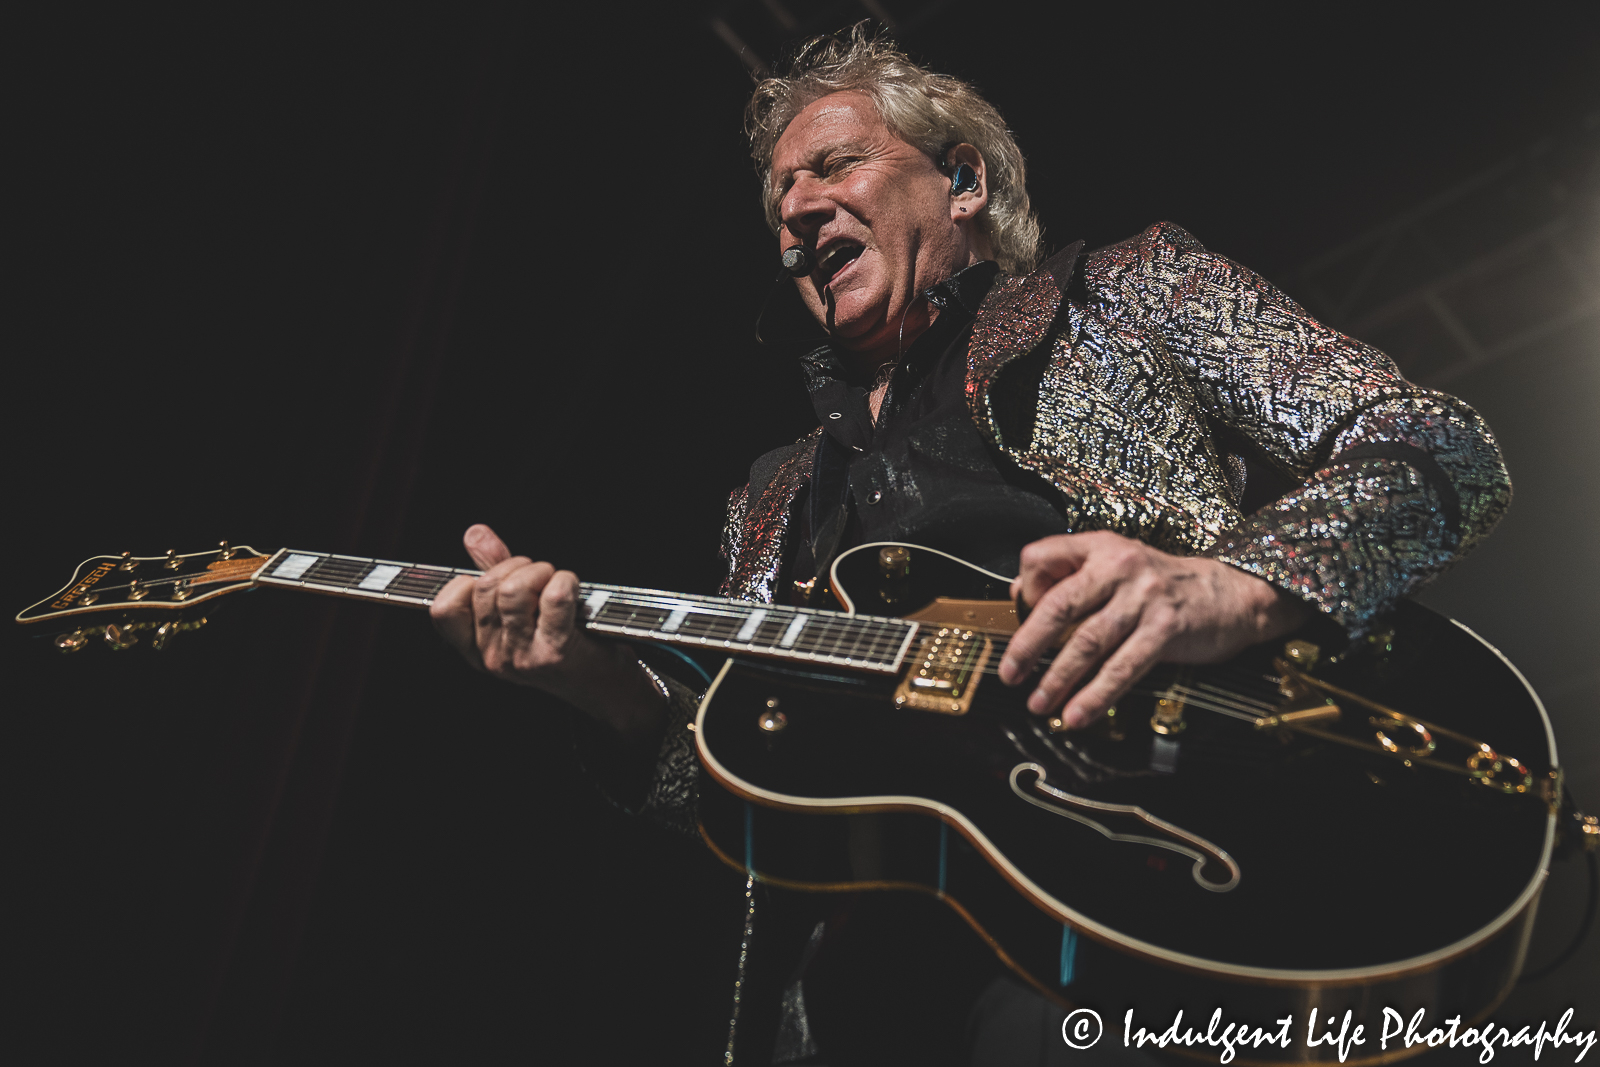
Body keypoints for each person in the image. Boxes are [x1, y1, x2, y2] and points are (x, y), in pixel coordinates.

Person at [429, 28, 1511, 1067]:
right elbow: (732, 783)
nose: (796, 208)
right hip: (858, 995)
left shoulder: (1130, 290)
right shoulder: (767, 499)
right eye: (777, 200)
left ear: (963, 182)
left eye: (833, 165)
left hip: (1146, 895)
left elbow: (1437, 448)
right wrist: (601, 691)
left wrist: (1234, 584)